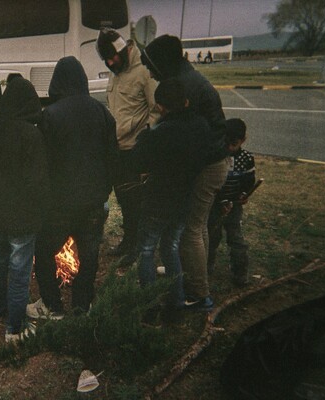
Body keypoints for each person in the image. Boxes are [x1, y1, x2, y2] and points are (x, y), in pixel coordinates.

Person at [141, 34, 229, 311]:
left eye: (152, 66)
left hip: (209, 164)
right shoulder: (186, 78)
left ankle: (198, 293)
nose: (150, 73)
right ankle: (194, 278)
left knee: (191, 229)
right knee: (196, 226)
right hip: (212, 160)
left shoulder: (185, 86)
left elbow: (181, 135)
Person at [26, 56, 117, 318]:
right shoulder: (102, 113)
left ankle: (52, 306)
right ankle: (81, 305)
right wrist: (104, 191)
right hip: (93, 203)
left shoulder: (50, 115)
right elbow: (113, 158)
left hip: (59, 204)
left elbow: (42, 162)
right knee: (89, 256)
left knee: (43, 251)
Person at [129, 78, 214, 320]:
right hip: (185, 197)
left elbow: (138, 161)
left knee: (146, 249)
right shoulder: (201, 126)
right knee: (171, 246)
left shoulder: (160, 132)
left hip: (158, 198)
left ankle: (151, 307)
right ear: (186, 102)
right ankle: (177, 302)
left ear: (160, 106)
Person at [0, 77, 49, 344]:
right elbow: (38, 181)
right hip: (23, 217)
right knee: (19, 271)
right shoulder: (31, 135)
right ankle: (14, 328)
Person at [95, 27, 159, 260]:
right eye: (106, 60)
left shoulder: (143, 70)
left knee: (136, 202)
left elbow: (157, 111)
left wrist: (147, 142)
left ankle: (138, 247)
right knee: (123, 199)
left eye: (112, 57)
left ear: (123, 50)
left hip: (136, 149)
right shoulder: (116, 70)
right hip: (117, 148)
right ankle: (128, 240)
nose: (110, 63)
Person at [207, 118, 255, 287]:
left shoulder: (247, 158)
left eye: (233, 144)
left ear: (243, 140)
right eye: (226, 143)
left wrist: (244, 195)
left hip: (234, 206)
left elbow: (249, 181)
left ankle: (240, 274)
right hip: (215, 204)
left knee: (236, 239)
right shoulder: (216, 155)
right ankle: (207, 266)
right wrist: (219, 201)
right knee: (212, 236)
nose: (229, 147)